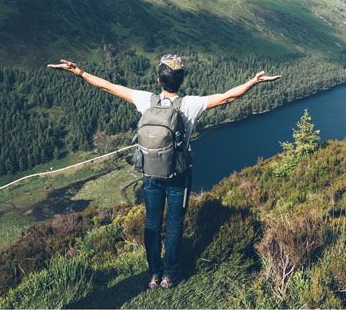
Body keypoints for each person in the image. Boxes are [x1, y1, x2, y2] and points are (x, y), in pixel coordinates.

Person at [48, 54, 281, 287]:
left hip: (150, 174)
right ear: (182, 80)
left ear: (159, 81)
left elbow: (110, 87)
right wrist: (253, 81)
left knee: (152, 223)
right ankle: (169, 275)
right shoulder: (190, 104)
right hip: (179, 175)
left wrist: (79, 72)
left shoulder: (146, 100)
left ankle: (153, 274)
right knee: (174, 224)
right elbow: (228, 97)